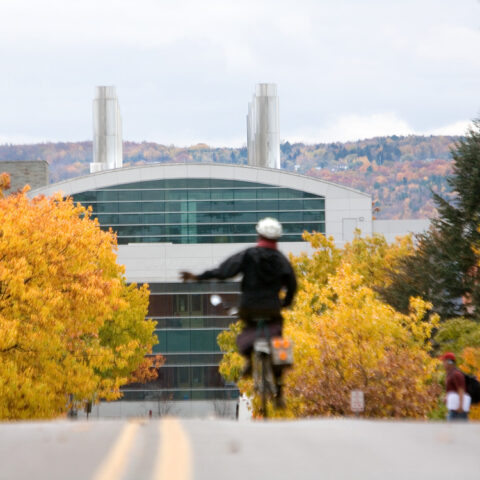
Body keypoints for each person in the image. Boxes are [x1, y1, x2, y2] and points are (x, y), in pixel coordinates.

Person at [180, 217, 297, 408]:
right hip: (272, 307)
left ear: (259, 235)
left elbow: (224, 271)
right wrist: (285, 303)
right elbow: (292, 285)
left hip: (249, 307)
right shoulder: (282, 261)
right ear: (277, 239)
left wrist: (198, 277)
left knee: (247, 331)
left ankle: (249, 360)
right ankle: (280, 390)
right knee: (277, 336)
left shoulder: (248, 255)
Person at [440, 352, 471, 421]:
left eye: (444, 361)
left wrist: (460, 406)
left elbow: (461, 390)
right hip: (454, 409)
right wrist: (447, 397)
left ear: (449, 362)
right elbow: (453, 390)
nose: (443, 363)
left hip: (458, 410)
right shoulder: (450, 374)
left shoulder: (456, 374)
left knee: (455, 430)